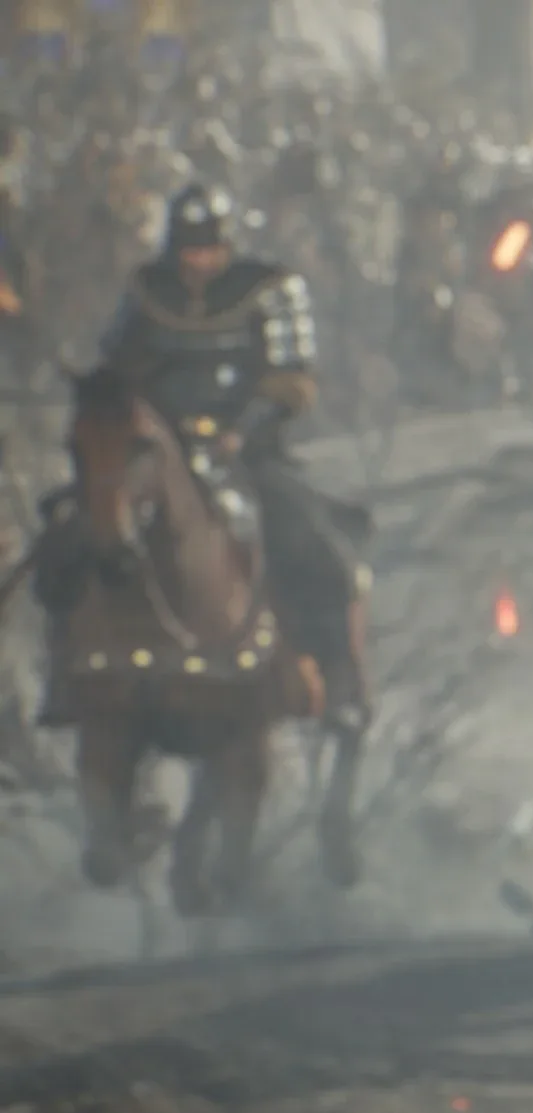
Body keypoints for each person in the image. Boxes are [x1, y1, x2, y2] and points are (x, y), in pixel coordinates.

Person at [56, 185, 369, 728]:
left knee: (313, 547)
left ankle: (335, 675)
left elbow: (291, 377)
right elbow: (118, 365)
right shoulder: (148, 291)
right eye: (188, 251)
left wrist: (241, 431)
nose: (197, 263)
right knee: (73, 535)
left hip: (247, 449)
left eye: (207, 251)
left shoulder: (268, 289)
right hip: (153, 446)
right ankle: (67, 672)